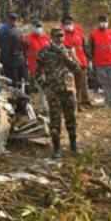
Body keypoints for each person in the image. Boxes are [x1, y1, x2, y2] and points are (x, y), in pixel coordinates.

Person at [35, 28, 81, 158]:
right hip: (54, 91)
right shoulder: (44, 52)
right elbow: (36, 74)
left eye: (62, 36)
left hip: (68, 90)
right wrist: (45, 88)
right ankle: (57, 148)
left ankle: (73, 145)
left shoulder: (69, 50)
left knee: (71, 117)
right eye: (57, 36)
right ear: (52, 36)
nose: (60, 38)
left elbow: (77, 69)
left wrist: (66, 57)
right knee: (55, 119)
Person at [89, 15, 111, 107]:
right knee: (104, 83)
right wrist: (90, 60)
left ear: (108, 22)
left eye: (105, 21)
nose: (104, 23)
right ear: (98, 23)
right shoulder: (93, 34)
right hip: (99, 63)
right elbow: (90, 48)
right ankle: (108, 101)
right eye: (102, 21)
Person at [63, 15, 91, 109]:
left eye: (70, 23)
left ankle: (78, 103)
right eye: (66, 23)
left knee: (79, 84)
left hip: (80, 62)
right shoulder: (61, 35)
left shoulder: (78, 32)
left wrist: (87, 60)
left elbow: (83, 47)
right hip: (68, 64)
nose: (68, 25)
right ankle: (70, 104)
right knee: (70, 85)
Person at [0, 14, 27, 85]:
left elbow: (5, 49)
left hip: (11, 61)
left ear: (9, 20)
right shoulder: (20, 32)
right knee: (22, 83)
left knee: (12, 83)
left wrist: (1, 61)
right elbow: (24, 46)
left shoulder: (9, 33)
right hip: (21, 59)